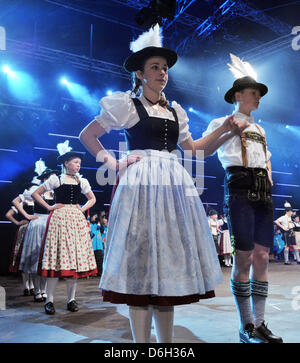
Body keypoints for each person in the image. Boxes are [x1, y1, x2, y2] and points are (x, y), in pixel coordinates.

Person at [78, 24, 241, 343]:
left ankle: (164, 346)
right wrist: (113, 162)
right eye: (155, 67)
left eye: (165, 68)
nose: (162, 72)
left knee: (167, 267)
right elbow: (88, 135)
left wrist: (225, 132)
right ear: (140, 74)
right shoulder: (126, 105)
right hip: (141, 184)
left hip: (171, 183)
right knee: (141, 261)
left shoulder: (176, 111)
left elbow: (195, 150)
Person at [203, 54, 283, 343]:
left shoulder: (260, 129)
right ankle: (245, 326)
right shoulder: (219, 122)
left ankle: (260, 324)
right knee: (244, 259)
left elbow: (267, 157)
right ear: (238, 95)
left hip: (262, 190)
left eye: (260, 93)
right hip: (238, 187)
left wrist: (269, 175)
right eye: (253, 92)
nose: (258, 97)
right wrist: (227, 132)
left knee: (263, 256)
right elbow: (204, 151)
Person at [32, 140, 97, 315]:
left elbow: (92, 199)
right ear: (66, 163)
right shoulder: (57, 179)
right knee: (56, 260)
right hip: (59, 219)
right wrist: (49, 207)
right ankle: (49, 301)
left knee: (74, 261)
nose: (78, 165)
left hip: (75, 220)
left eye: (79, 163)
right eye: (75, 162)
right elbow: (35, 194)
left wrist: (81, 209)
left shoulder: (81, 181)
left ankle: (71, 300)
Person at [17, 161, 59, 303]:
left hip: (50, 222)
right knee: (36, 258)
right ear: (44, 179)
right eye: (48, 176)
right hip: (38, 222)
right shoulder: (35, 189)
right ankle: (37, 291)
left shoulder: (54, 192)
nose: (50, 178)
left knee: (47, 259)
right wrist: (27, 216)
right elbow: (16, 201)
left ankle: (45, 291)